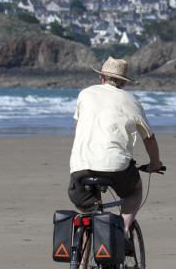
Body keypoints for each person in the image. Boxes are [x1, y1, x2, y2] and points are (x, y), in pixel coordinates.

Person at [68, 57, 162, 242]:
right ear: (124, 83)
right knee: (135, 190)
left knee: (92, 215)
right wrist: (155, 163)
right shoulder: (132, 101)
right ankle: (124, 231)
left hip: (80, 165)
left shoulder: (85, 94)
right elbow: (149, 139)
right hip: (116, 166)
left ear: (102, 77)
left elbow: (77, 127)